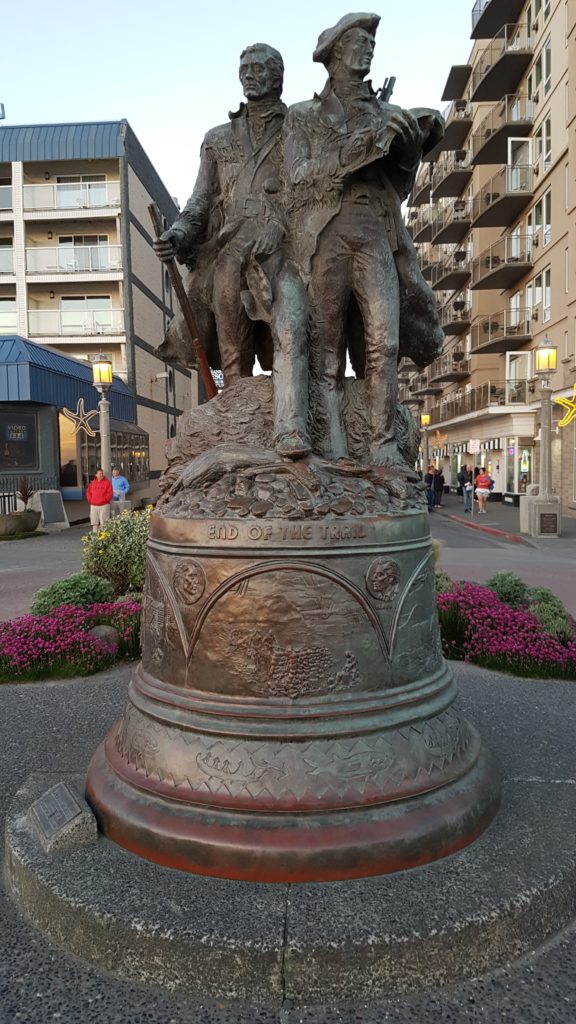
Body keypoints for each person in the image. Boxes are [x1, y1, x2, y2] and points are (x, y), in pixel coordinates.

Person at [283, 13, 444, 466]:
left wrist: (408, 155)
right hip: (327, 237)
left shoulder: (386, 112)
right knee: (326, 350)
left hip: (376, 233)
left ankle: (383, 446)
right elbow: (298, 178)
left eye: (372, 42)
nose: (368, 48)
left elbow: (401, 189)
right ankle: (332, 448)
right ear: (334, 53)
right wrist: (358, 148)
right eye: (359, 40)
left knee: (385, 345)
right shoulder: (303, 117)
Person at [154, 44, 310, 458]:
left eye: (260, 68)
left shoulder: (300, 127)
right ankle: (238, 425)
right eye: (244, 68)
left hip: (287, 244)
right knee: (231, 346)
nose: (250, 74)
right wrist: (179, 235)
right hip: (230, 245)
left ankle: (291, 420)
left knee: (292, 335)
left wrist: (279, 227)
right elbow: (198, 203)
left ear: (279, 76)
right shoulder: (217, 140)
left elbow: (312, 192)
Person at [86, 468, 113, 533]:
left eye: (102, 473)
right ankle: (95, 538)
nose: (101, 475)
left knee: (104, 523)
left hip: (104, 505)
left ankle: (104, 538)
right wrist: (90, 500)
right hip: (93, 506)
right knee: (95, 523)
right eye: (100, 473)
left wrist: (104, 500)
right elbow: (88, 492)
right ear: (96, 475)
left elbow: (110, 493)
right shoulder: (92, 483)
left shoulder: (107, 483)